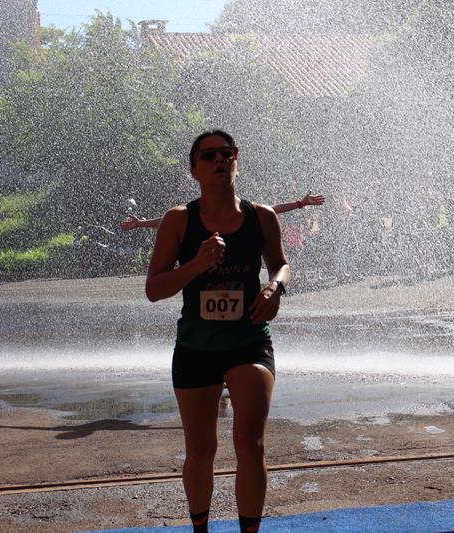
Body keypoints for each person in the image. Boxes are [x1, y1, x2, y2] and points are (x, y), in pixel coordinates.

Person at [145, 130, 290, 533]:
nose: (219, 160)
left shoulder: (262, 216)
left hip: (248, 341)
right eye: (208, 155)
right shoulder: (179, 220)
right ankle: (201, 528)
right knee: (201, 449)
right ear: (195, 170)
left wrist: (274, 287)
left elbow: (280, 263)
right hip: (197, 344)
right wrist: (196, 264)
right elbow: (154, 289)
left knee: (250, 442)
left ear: (237, 162)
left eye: (227, 153)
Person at [121, 192, 325, 231]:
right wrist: (140, 223)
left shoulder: (243, 211)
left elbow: (273, 210)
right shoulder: (198, 212)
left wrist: (300, 203)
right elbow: (168, 221)